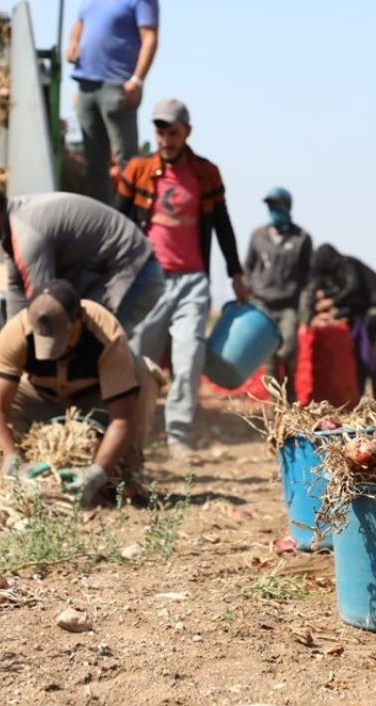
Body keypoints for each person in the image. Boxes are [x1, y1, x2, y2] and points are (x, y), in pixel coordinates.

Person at [116, 98, 248, 460]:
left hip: (192, 281)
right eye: (160, 131)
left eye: (173, 132)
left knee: (188, 358)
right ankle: (130, 435)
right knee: (137, 359)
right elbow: (118, 219)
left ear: (186, 132)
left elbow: (222, 226)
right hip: (149, 280)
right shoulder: (139, 170)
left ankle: (178, 436)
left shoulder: (206, 174)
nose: (166, 139)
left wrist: (235, 273)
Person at [0, 280, 157, 505]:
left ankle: (125, 473)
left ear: (80, 318)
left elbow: (121, 418)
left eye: (64, 339)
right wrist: (12, 462)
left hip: (93, 405)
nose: (58, 350)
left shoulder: (105, 331)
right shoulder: (15, 332)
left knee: (144, 374)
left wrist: (95, 474)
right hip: (40, 399)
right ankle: (8, 472)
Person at [0, 177, 164, 335]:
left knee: (96, 350)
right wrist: (9, 345)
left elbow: (44, 308)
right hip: (113, 273)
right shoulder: (12, 226)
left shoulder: (28, 234)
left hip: (134, 274)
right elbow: (16, 292)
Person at [66, 0, 160, 202]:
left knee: (128, 163)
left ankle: (132, 218)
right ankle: (103, 219)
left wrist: (137, 80)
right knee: (94, 162)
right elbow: (79, 23)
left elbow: (150, 37)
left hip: (118, 85)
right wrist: (73, 42)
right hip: (86, 85)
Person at [302, 244, 376, 402]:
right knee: (360, 361)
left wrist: (331, 301)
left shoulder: (347, 265)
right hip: (366, 317)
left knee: (373, 361)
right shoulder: (335, 274)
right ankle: (361, 399)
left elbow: (352, 289)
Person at [244, 187, 312, 401]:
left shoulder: (301, 238)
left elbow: (309, 279)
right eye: (270, 205)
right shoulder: (258, 236)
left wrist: (305, 312)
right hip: (262, 306)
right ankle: (277, 411)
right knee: (269, 360)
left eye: (277, 205)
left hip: (288, 306)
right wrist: (248, 298)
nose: (273, 209)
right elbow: (248, 268)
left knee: (288, 351)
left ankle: (291, 400)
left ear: (287, 206)